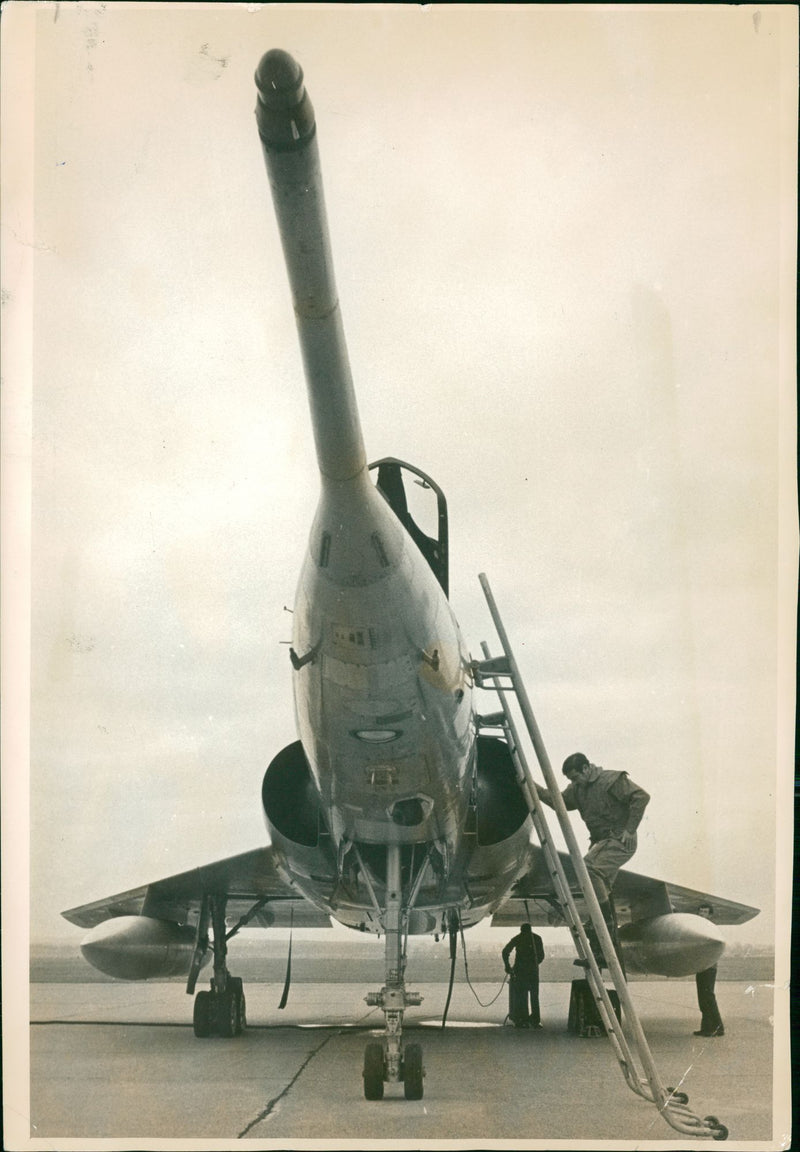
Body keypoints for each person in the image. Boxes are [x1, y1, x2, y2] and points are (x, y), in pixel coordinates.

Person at [535, 752, 650, 969]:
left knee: (587, 869)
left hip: (618, 841)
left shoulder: (611, 780)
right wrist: (533, 787)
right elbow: (557, 801)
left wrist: (630, 829)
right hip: (600, 844)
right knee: (595, 888)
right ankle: (602, 951)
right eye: (570, 780)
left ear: (587, 769)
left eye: (575, 777)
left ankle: (604, 919)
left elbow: (641, 797)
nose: (573, 783)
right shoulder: (578, 789)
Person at [502, 922, 545, 1028]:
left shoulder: (518, 938)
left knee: (522, 996)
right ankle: (535, 1020)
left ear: (521, 930)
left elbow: (505, 951)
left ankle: (523, 1020)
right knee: (534, 996)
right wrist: (534, 964)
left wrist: (507, 966)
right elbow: (541, 956)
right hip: (532, 971)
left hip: (520, 971)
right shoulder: (537, 939)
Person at [694, 903, 725, 1037]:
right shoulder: (700, 927)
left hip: (709, 967)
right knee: (703, 998)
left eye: (705, 912)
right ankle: (706, 1027)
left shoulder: (709, 928)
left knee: (707, 997)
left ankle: (718, 1028)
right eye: (700, 911)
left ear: (710, 914)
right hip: (702, 967)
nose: (702, 914)